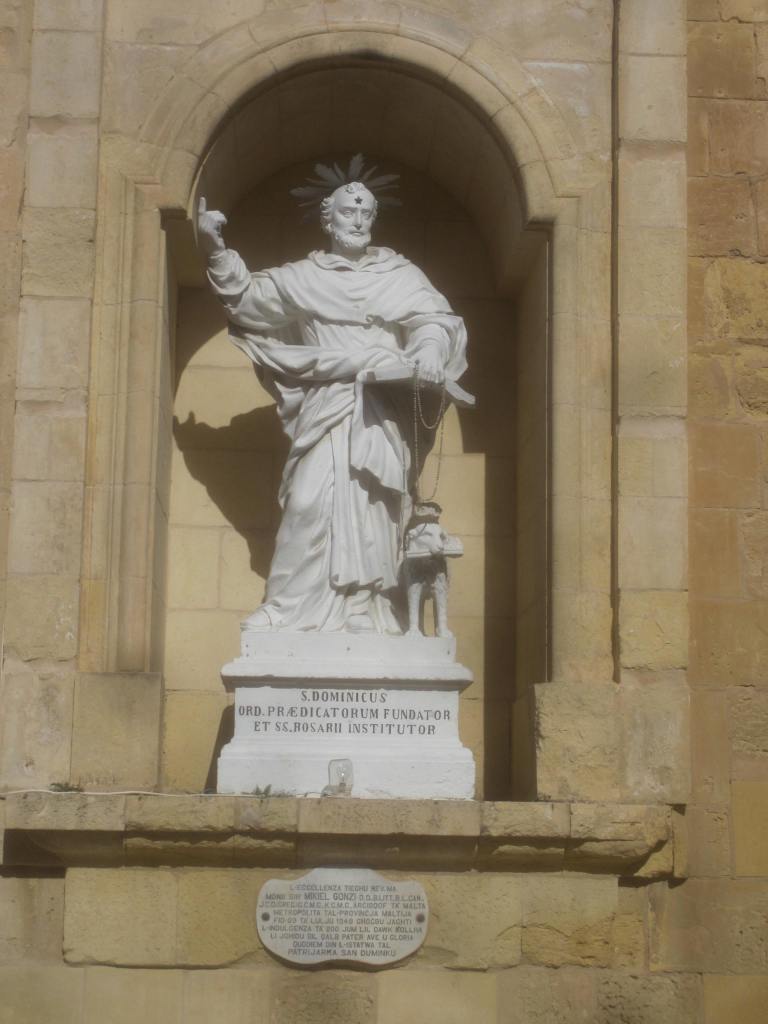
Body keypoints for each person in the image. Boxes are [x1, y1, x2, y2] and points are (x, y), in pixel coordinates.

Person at [197, 170, 468, 634]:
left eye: (366, 211)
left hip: (380, 407)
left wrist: (426, 350)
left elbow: (435, 321)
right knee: (306, 502)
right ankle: (285, 607)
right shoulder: (303, 277)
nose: (359, 219)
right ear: (328, 218)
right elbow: (246, 300)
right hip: (328, 402)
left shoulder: (401, 275)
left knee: (374, 503)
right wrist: (214, 248)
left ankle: (365, 605)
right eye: (349, 210)